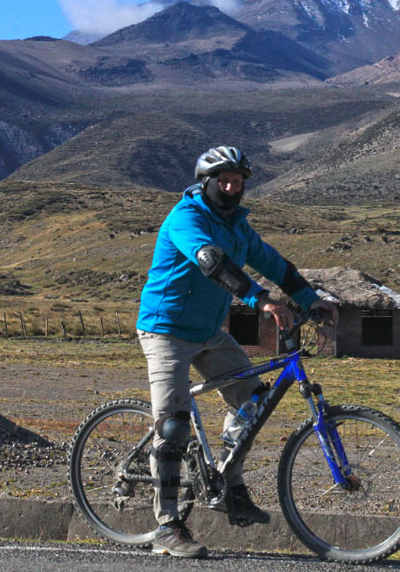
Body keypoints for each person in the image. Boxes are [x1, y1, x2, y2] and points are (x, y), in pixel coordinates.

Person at [137, 145, 338, 558]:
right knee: (173, 427)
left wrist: (310, 298)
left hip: (210, 332)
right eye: (223, 181)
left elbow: (276, 264)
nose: (231, 188)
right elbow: (212, 262)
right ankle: (167, 526)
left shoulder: (239, 227)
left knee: (254, 400)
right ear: (206, 183)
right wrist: (261, 301)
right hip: (165, 331)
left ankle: (228, 482)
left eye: (238, 181)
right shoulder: (186, 218)